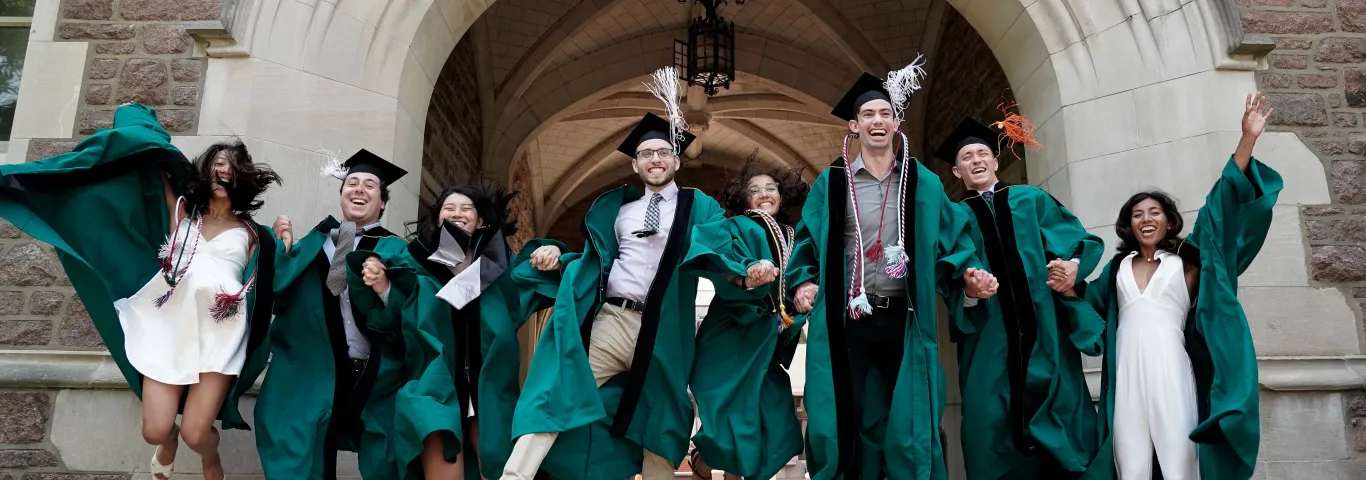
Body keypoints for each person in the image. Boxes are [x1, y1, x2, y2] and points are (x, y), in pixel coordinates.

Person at [0, 103, 279, 480]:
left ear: (241, 178)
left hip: (219, 331)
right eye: (215, 166)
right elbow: (144, 153)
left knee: (200, 434)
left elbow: (272, 281)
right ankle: (169, 442)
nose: (220, 173)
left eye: (228, 169)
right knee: (155, 430)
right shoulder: (182, 211)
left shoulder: (254, 234)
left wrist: (287, 240)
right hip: (168, 322)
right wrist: (134, 115)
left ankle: (210, 459)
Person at [501, 67, 731, 479]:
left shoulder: (700, 208)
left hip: (666, 330)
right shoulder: (617, 210)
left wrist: (746, 273)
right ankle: (515, 476)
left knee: (661, 418)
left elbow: (720, 251)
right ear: (635, 164)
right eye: (646, 154)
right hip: (613, 320)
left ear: (676, 159)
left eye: (663, 152)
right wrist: (555, 252)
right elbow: (595, 262)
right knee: (559, 389)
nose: (655, 159)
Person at [786, 67, 999, 479]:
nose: (877, 120)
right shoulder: (832, 183)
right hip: (848, 319)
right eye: (868, 114)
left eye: (885, 113)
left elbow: (953, 240)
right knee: (846, 416)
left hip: (905, 317)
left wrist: (969, 277)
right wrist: (802, 282)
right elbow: (808, 241)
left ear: (896, 123)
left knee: (911, 416)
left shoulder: (924, 183)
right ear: (855, 125)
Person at [1075, 93, 1278, 480]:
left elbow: (1219, 209)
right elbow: (1086, 308)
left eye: (1154, 213)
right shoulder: (1117, 267)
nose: (1146, 219)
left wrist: (1247, 140)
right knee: (1130, 466)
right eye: (1137, 215)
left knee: (1179, 463)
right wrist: (1066, 284)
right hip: (1126, 376)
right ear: (1128, 225)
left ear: (1169, 221)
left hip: (1172, 369)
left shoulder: (1187, 262)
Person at [933, 115, 1106, 479]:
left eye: (982, 153)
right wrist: (969, 291)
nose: (976, 160)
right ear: (956, 170)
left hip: (1047, 335)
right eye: (967, 157)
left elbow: (1077, 242)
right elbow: (945, 276)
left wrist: (1073, 266)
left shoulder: (1032, 200)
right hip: (988, 344)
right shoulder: (953, 217)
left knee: (1062, 413)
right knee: (989, 423)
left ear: (996, 161)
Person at [374, 181, 563, 479]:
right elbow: (397, 313)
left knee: (496, 467)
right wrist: (383, 287)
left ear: (481, 220)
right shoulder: (415, 262)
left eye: (466, 208)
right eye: (449, 208)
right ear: (438, 217)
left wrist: (553, 254)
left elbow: (536, 283)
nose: (457, 213)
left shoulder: (498, 268)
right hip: (435, 386)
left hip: (487, 389)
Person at [254, 149, 420, 479]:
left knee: (386, 459)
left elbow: (410, 311)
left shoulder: (397, 250)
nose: (358, 189)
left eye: (370, 185)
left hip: (374, 376)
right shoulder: (315, 244)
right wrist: (280, 248)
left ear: (382, 202)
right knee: (301, 455)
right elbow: (277, 295)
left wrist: (384, 287)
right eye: (351, 183)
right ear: (341, 194)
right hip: (314, 372)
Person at [682, 152, 808, 480]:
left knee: (773, 419)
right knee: (733, 411)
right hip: (732, 332)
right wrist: (746, 274)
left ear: (783, 197)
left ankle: (713, 463)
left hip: (768, 336)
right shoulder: (735, 226)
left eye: (772, 188)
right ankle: (707, 460)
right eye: (756, 189)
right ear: (744, 199)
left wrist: (804, 289)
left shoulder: (794, 235)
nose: (765, 193)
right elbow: (718, 258)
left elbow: (800, 276)